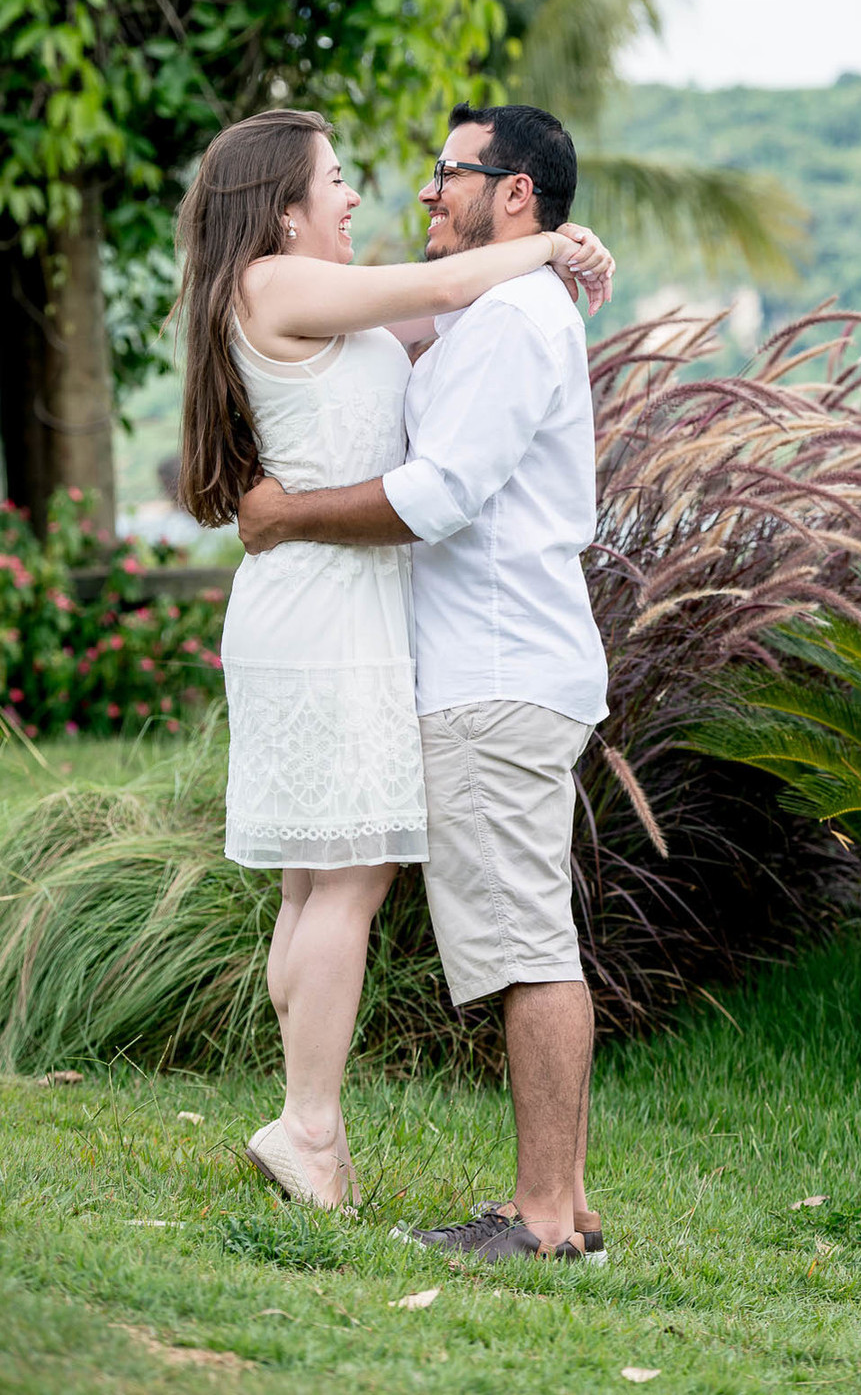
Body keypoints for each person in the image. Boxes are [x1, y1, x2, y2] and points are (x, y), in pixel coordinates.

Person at [176, 107, 613, 1211]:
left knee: (319, 880)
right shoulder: (279, 282)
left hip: (335, 606)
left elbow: (441, 313)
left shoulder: (332, 298)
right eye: (335, 177)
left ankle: (317, 1127)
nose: (366, 194)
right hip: (332, 609)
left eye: (445, 171)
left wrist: (556, 248)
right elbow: (441, 289)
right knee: (347, 875)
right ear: (282, 207)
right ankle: (311, 1129)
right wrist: (555, 247)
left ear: (510, 188)